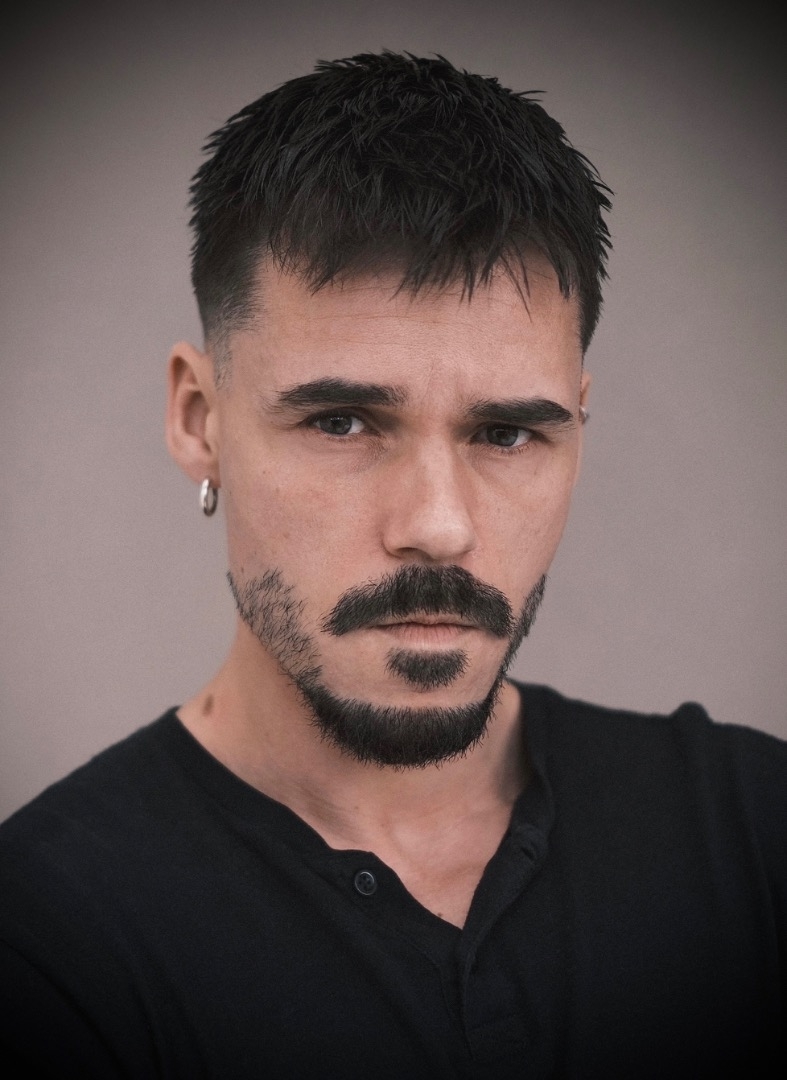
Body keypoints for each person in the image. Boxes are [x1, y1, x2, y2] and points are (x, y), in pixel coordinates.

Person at [0, 51, 784, 1079]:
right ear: (200, 420)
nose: (440, 527)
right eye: (341, 421)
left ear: (579, 426)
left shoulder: (753, 831)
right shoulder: (46, 939)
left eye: (506, 434)